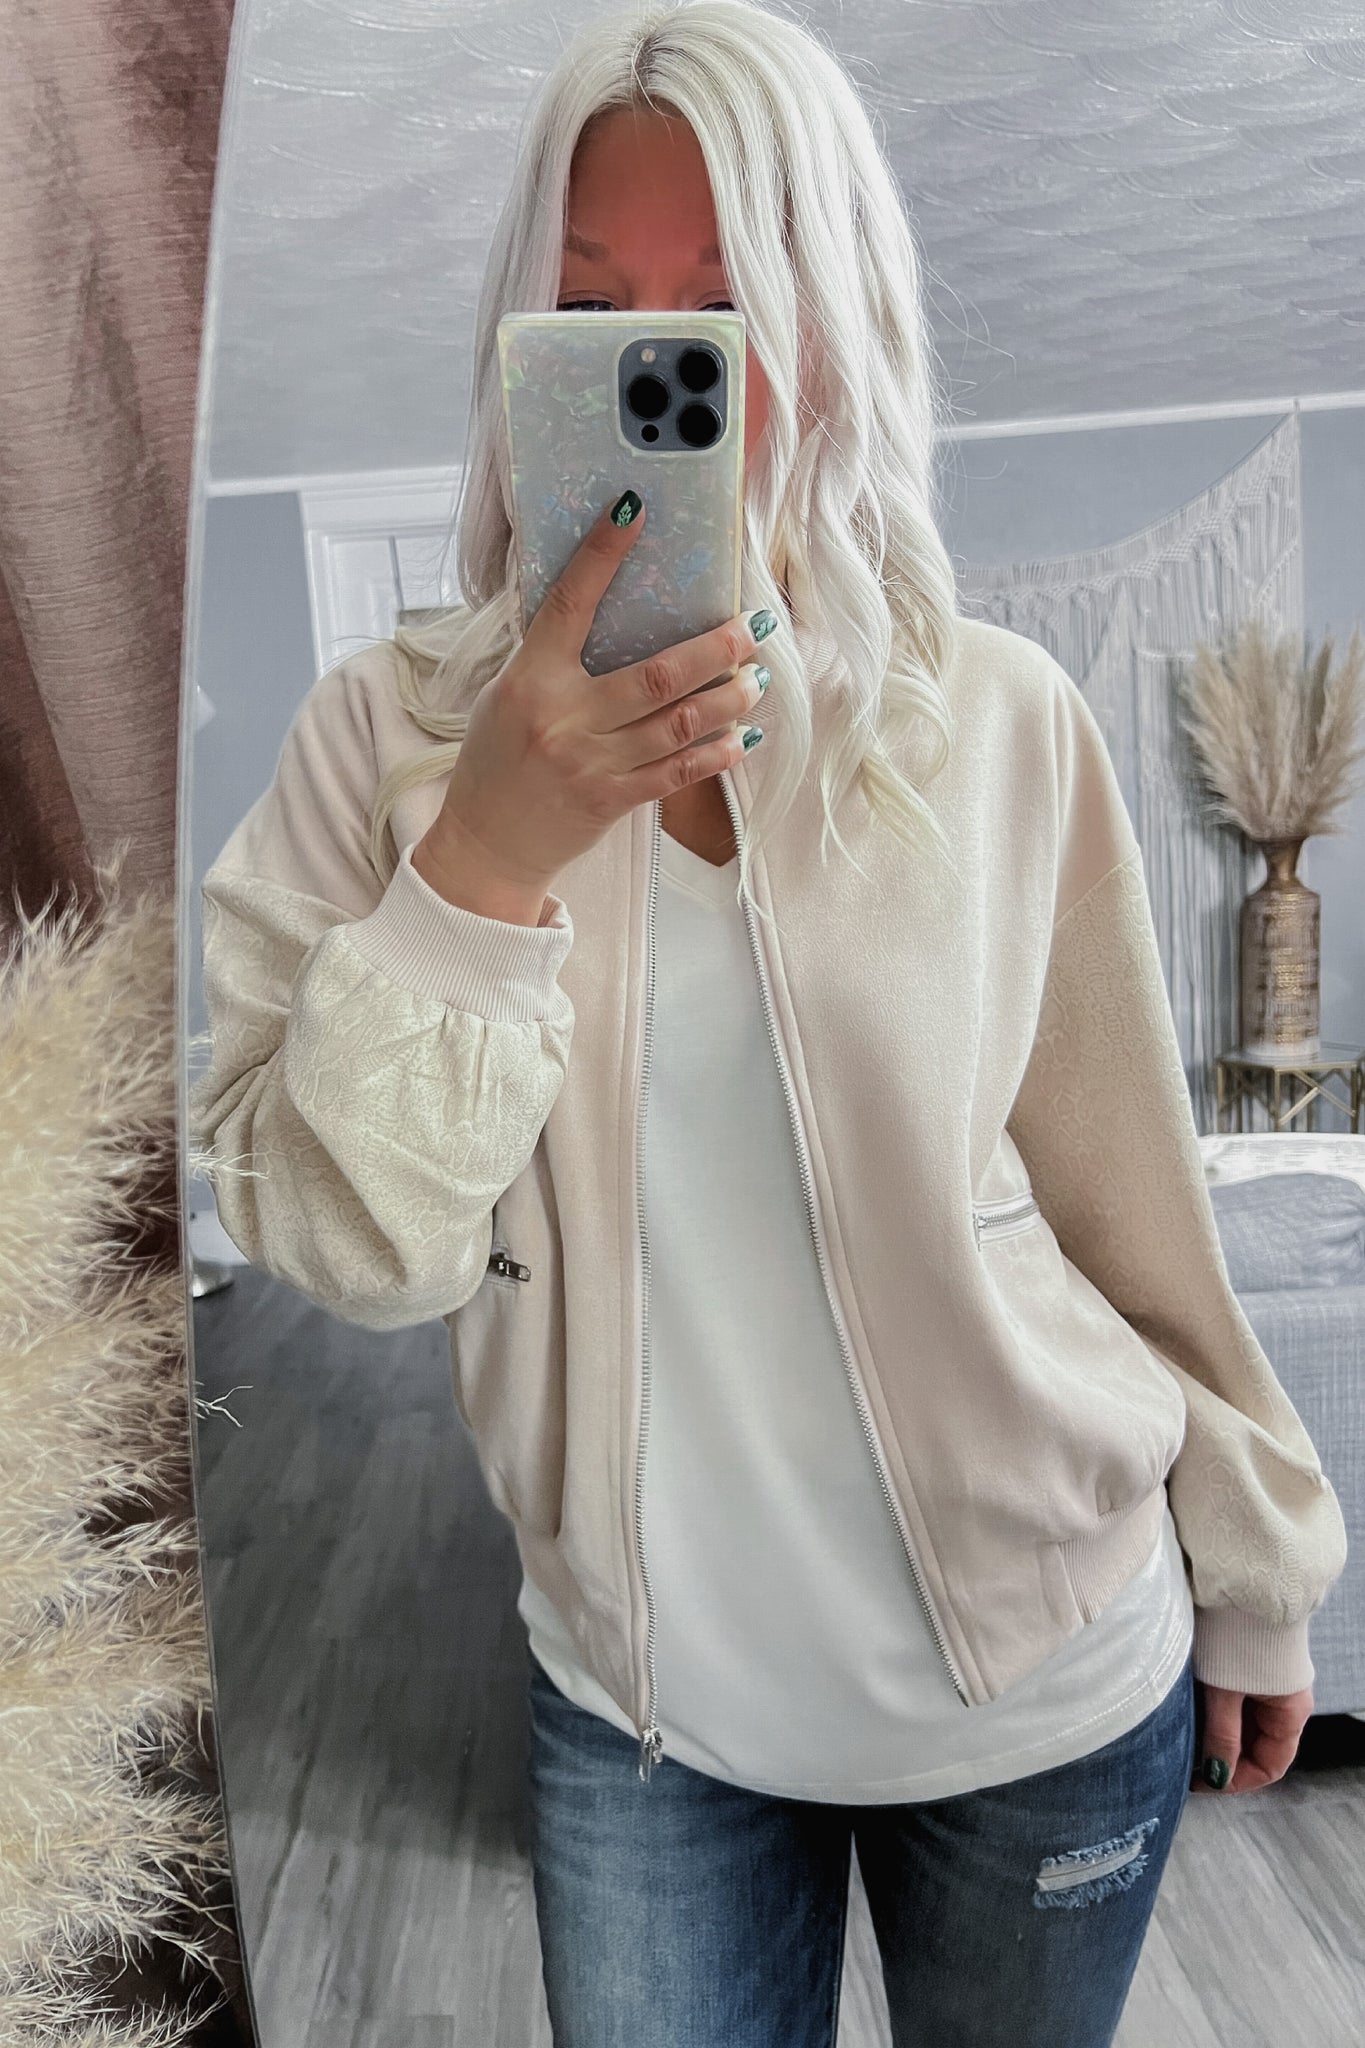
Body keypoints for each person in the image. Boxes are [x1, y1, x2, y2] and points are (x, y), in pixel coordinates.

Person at [189, 4, 1347, 2043]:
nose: (663, 363)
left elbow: (1125, 1200)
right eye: (592, 311)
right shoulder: (387, 742)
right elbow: (341, 1252)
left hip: (1045, 1685)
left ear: (835, 327)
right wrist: (487, 854)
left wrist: (1251, 1551)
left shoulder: (997, 722)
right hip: (647, 1720)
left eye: (724, 306)